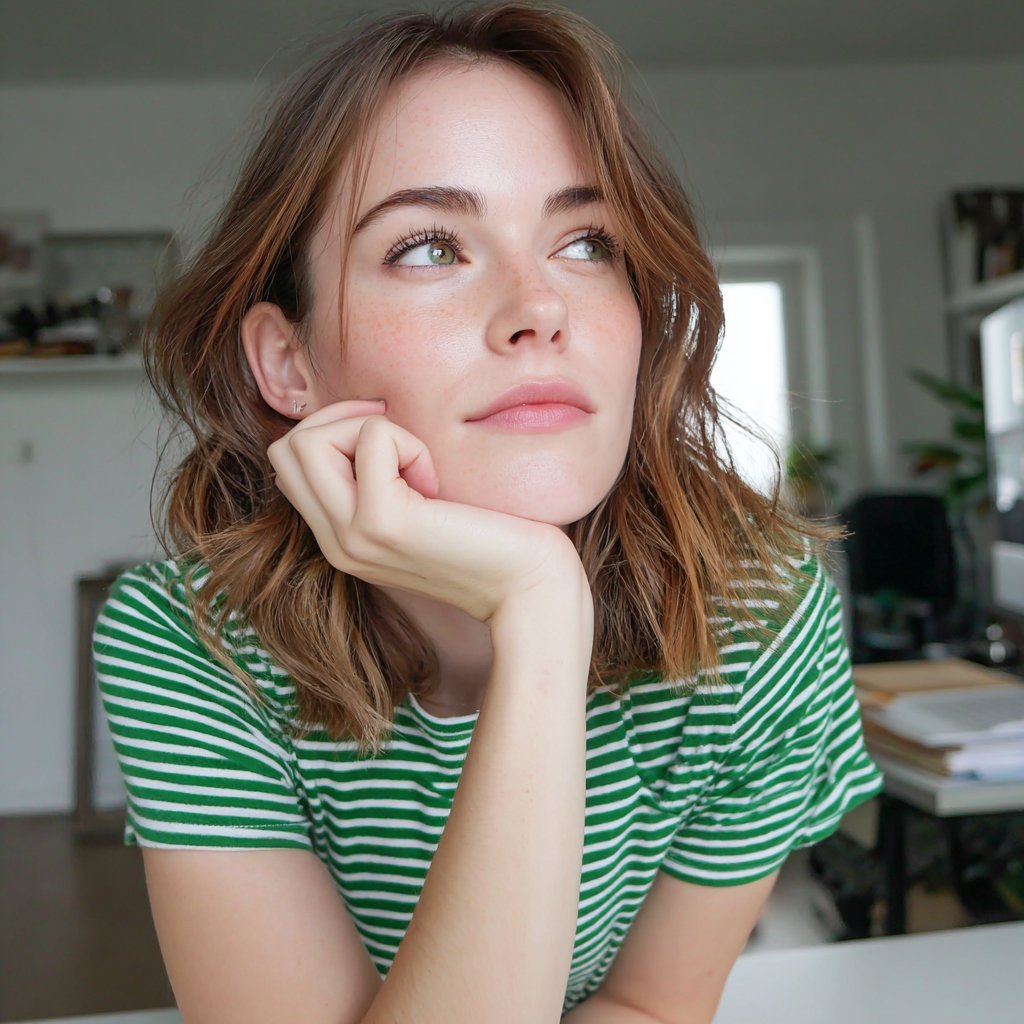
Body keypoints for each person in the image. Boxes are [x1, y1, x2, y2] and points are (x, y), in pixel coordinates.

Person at [93, 4, 884, 1022]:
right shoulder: (190, 644)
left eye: (587, 241)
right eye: (429, 247)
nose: (537, 305)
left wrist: (533, 622)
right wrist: (541, 607)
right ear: (287, 361)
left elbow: (647, 1006)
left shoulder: (761, 616)